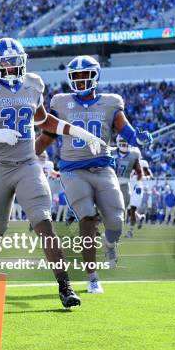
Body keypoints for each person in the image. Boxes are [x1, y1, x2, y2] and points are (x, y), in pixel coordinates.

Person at [0, 38, 106, 307]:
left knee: (44, 222)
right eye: (7, 63)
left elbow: (42, 119)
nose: (12, 68)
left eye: (16, 62)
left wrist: (76, 130)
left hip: (27, 164)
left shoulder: (33, 84)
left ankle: (65, 285)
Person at [36, 55, 152, 293]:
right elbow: (48, 135)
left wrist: (137, 137)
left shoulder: (111, 103)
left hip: (103, 168)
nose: (79, 81)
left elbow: (126, 130)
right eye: (75, 76)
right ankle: (92, 276)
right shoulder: (61, 102)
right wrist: (27, 155)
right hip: (72, 169)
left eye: (84, 75)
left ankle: (110, 243)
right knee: (87, 218)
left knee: (115, 222)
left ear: (95, 76)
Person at [113, 137, 143, 238]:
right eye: (121, 143)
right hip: (112, 184)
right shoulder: (111, 153)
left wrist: (138, 180)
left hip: (126, 185)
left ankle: (123, 230)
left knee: (125, 209)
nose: (123, 145)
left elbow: (140, 172)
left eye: (125, 143)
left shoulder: (133, 155)